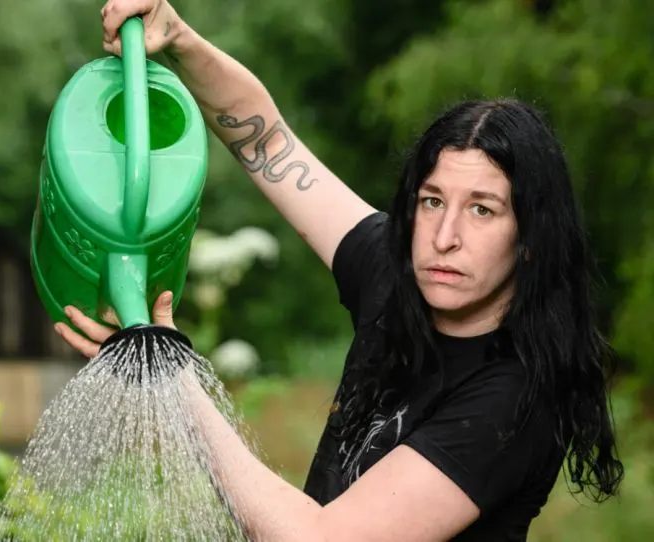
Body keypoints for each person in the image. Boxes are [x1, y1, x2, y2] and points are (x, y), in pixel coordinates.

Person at [54, 1, 625, 540]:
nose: (445, 237)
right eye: (432, 201)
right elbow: (265, 142)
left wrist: (170, 370)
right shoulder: (396, 270)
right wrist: (178, 37)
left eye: (482, 210)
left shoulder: (517, 398)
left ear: (531, 240)